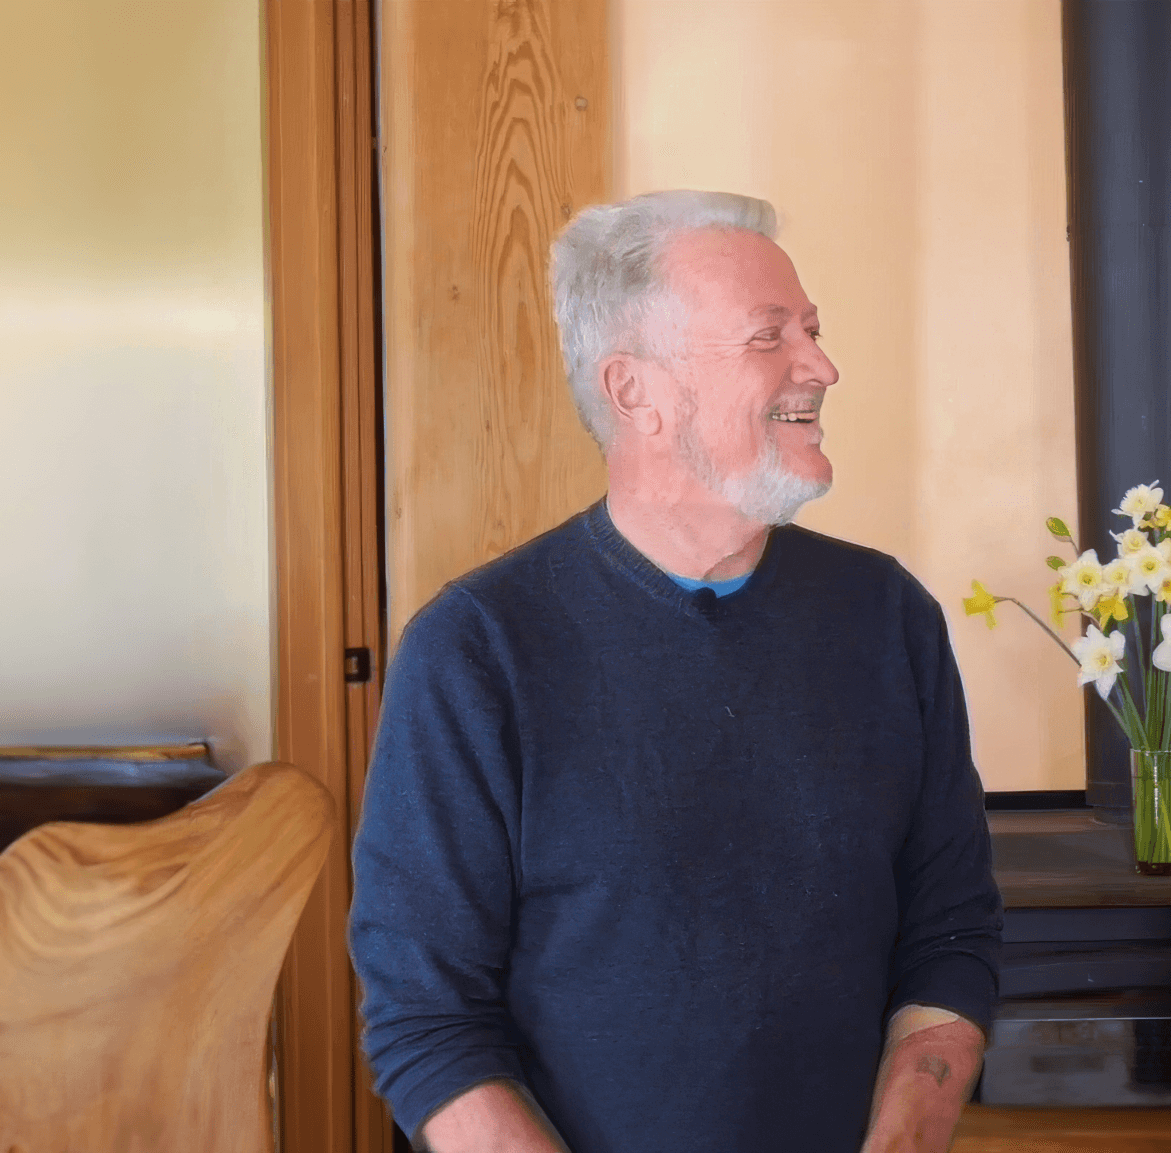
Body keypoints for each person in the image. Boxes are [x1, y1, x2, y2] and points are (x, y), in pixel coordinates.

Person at [349, 190, 1002, 1153]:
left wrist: (905, 1134)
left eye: (812, 330)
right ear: (635, 391)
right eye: (767, 336)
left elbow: (950, 931)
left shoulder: (887, 616)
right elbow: (427, 1020)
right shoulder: (477, 648)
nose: (822, 366)